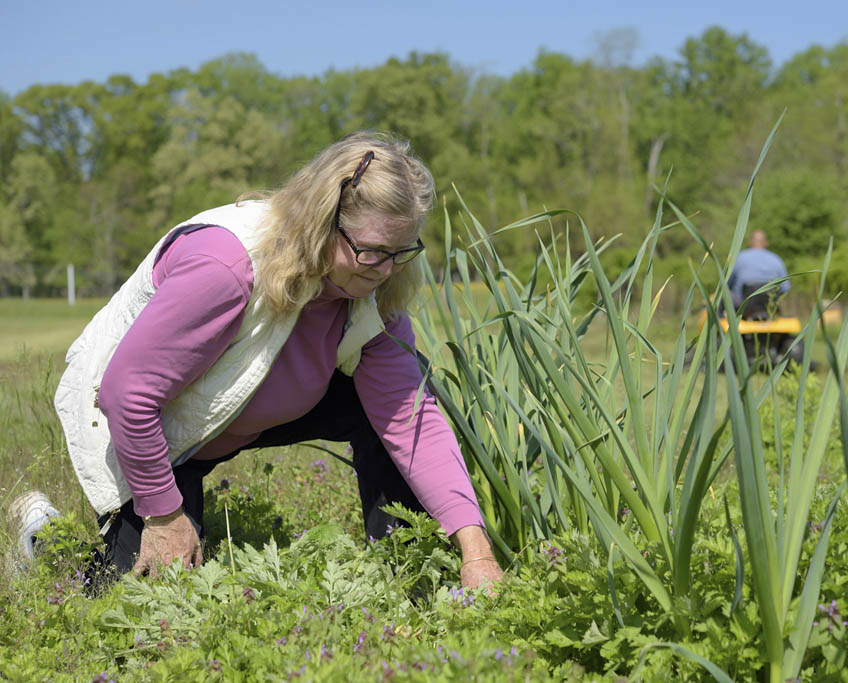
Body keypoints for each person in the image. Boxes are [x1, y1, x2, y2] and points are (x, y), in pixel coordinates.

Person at [14, 131, 502, 590]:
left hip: (248, 408)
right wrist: (163, 516)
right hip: (155, 427)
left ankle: (404, 571)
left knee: (406, 385)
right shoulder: (225, 268)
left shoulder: (373, 289)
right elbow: (128, 394)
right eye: (372, 251)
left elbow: (411, 420)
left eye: (401, 252)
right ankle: (45, 535)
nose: (388, 270)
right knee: (141, 595)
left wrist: (475, 549)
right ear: (321, 224)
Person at [726, 229, 789, 313]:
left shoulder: (739, 258)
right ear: (766, 243)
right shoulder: (776, 259)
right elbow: (785, 288)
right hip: (769, 309)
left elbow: (727, 283)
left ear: (750, 242)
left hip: (742, 308)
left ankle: (720, 319)